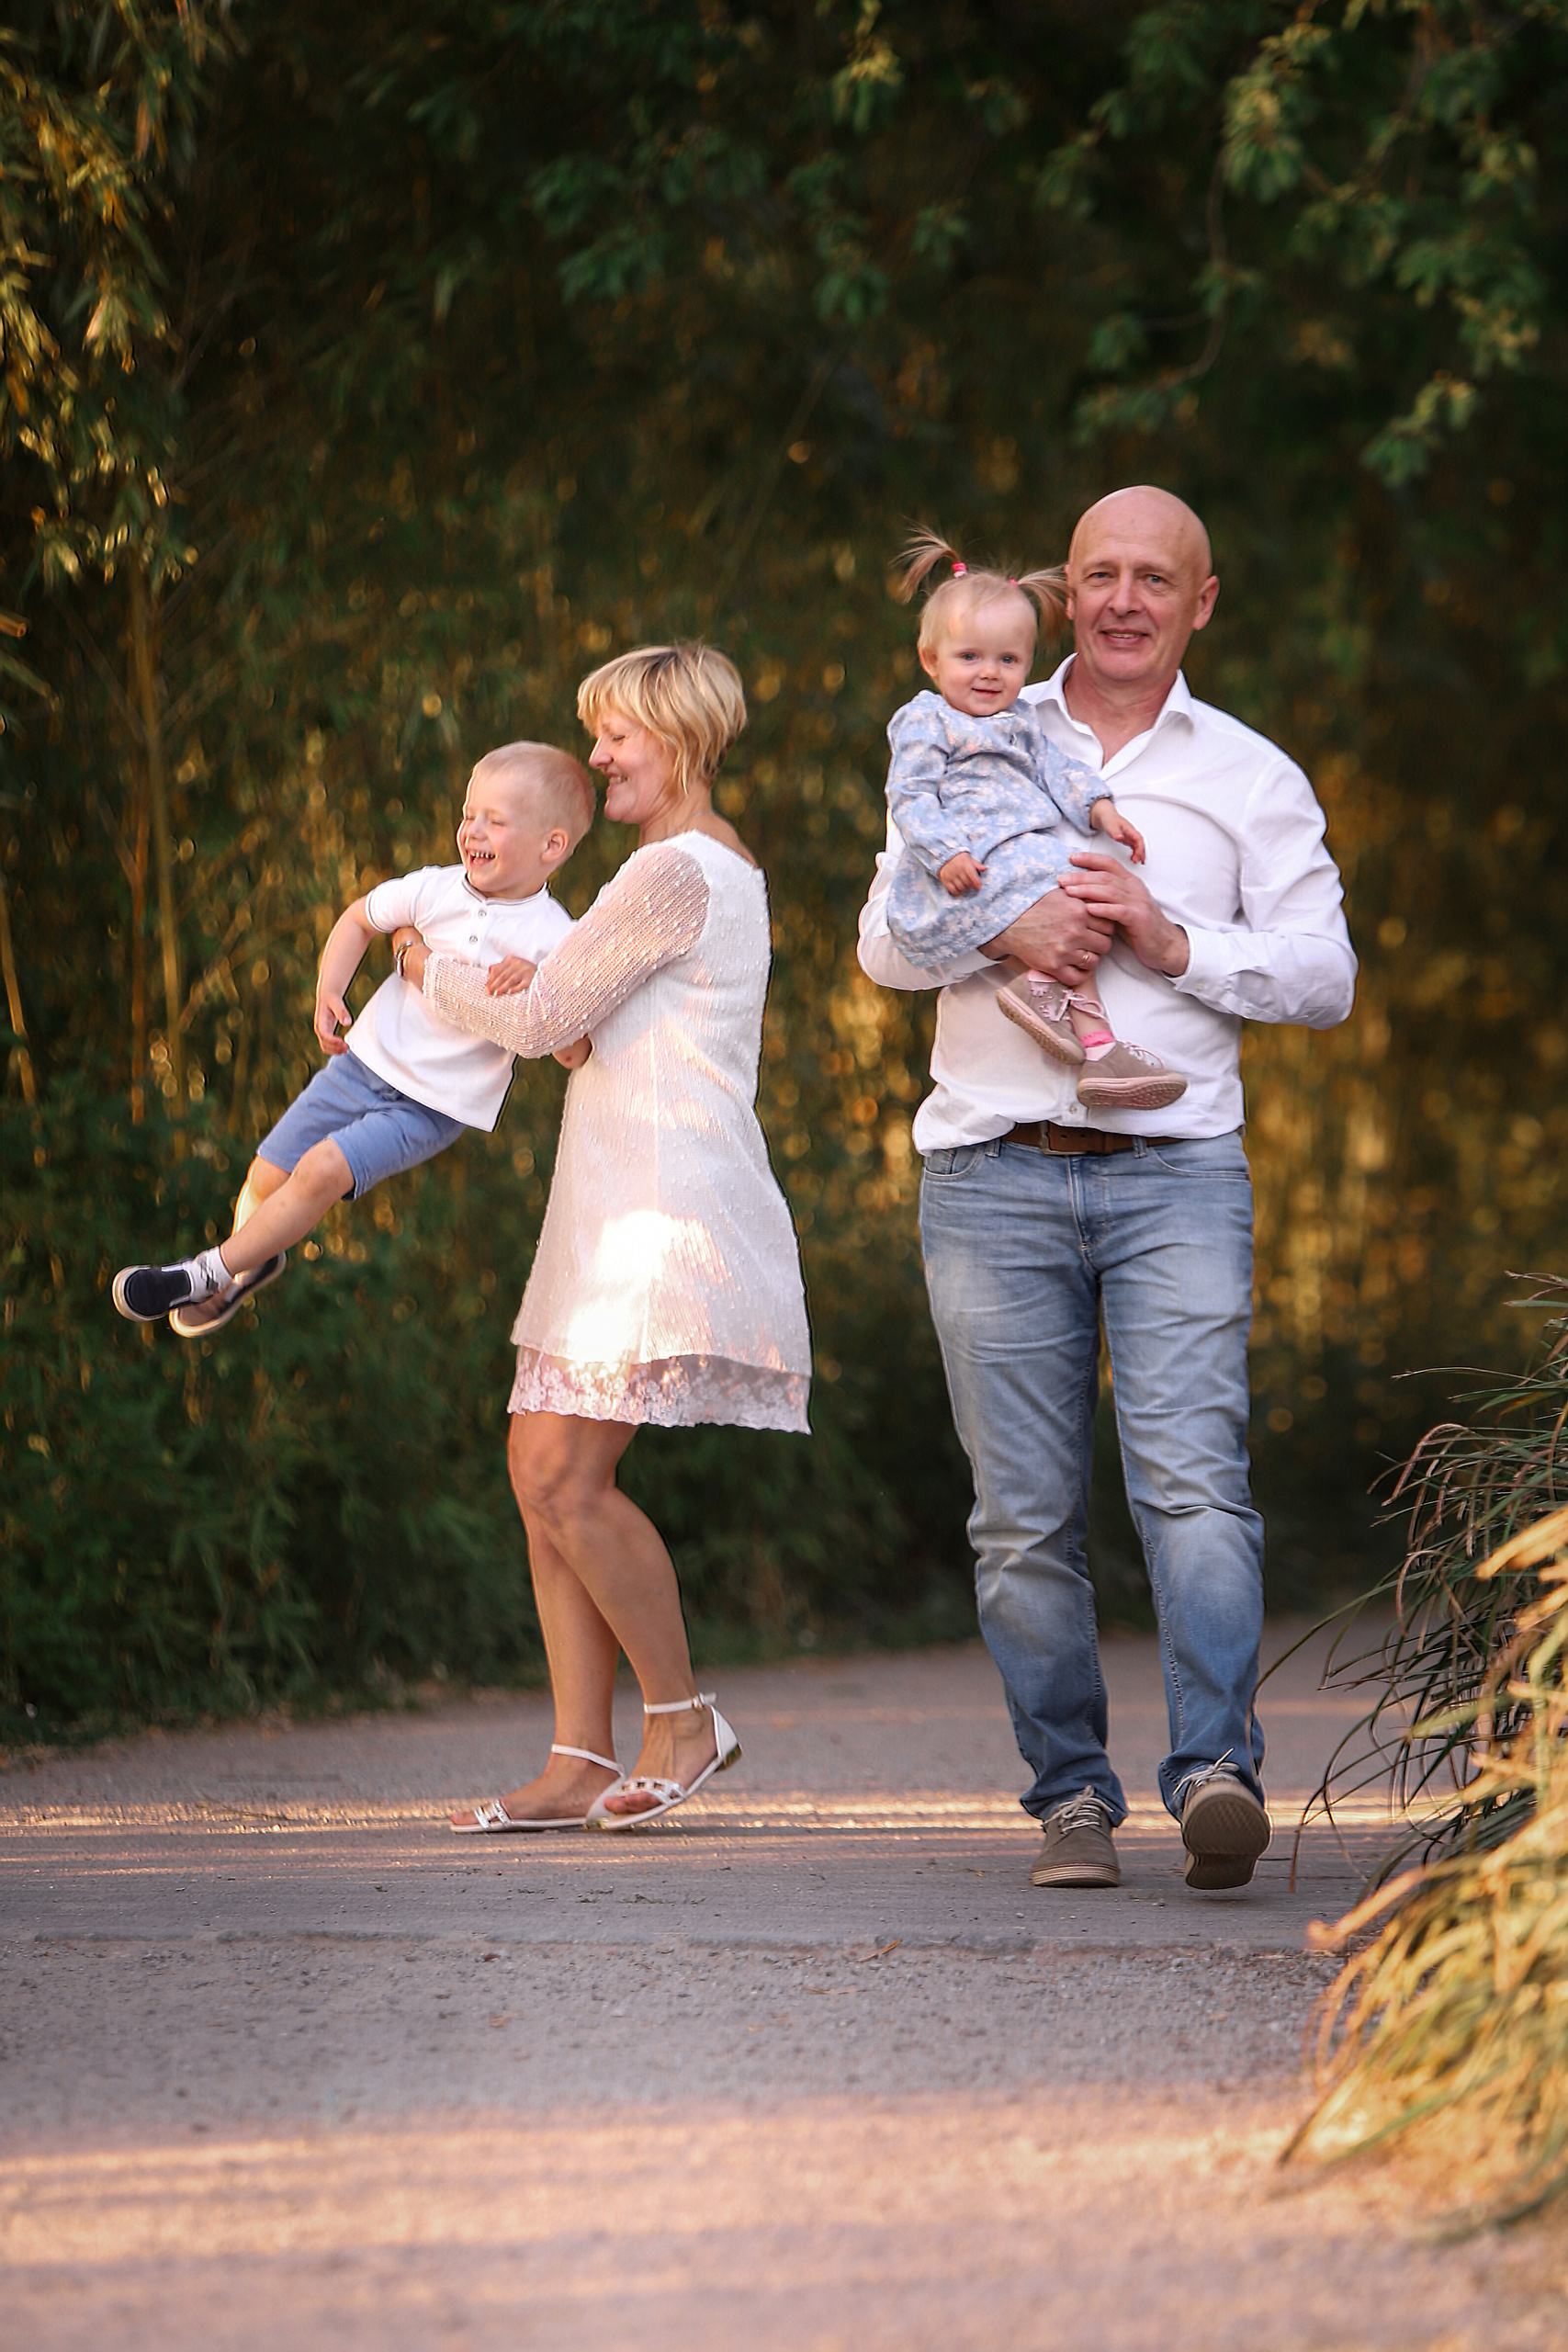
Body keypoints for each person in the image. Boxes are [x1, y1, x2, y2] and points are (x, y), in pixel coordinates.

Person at [858, 486, 1357, 1894]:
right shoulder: (965, 720)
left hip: (1176, 1176)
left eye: (1153, 577)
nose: (1123, 599)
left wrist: (1167, 935)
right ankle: (1068, 1798)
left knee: (1193, 1491)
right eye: (1098, 574)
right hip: (988, 1171)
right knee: (1019, 1520)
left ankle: (1213, 1775)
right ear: (1062, 591)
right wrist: (996, 927)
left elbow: (1322, 977)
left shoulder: (1248, 775)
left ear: (1200, 602)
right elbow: (879, 946)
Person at [394, 643, 812, 1834]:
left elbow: (538, 1022)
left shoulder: (674, 869)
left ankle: (681, 1718)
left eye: (615, 735)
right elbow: (582, 1026)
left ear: (676, 739)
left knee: (563, 1476)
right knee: (538, 1469)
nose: (597, 756)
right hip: (617, 1197)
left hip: (661, 1209)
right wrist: (534, 990)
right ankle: (578, 1754)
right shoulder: (696, 867)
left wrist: (425, 966)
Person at [111, 742, 594, 1338]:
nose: (472, 830)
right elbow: (361, 917)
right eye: (469, 814)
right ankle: (252, 1263)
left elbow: (573, 1050)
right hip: (361, 1066)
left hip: (431, 1107)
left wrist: (542, 982)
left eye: (495, 821)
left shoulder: (557, 939)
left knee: (322, 1169)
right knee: (264, 1178)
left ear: (551, 846)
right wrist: (329, 988)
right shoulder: (436, 889)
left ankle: (201, 1274)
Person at [884, 529, 1186, 1112]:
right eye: (969, 657)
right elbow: (911, 794)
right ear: (930, 660)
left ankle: (1092, 1043)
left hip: (1023, 849)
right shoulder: (928, 720)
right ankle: (1070, 1015)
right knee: (1072, 900)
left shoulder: (1022, 720)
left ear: (1027, 664)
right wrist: (945, 853)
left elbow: (1057, 769)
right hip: (976, 857)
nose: (989, 673)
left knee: (1087, 903)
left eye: (1008, 660)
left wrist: (1100, 808)